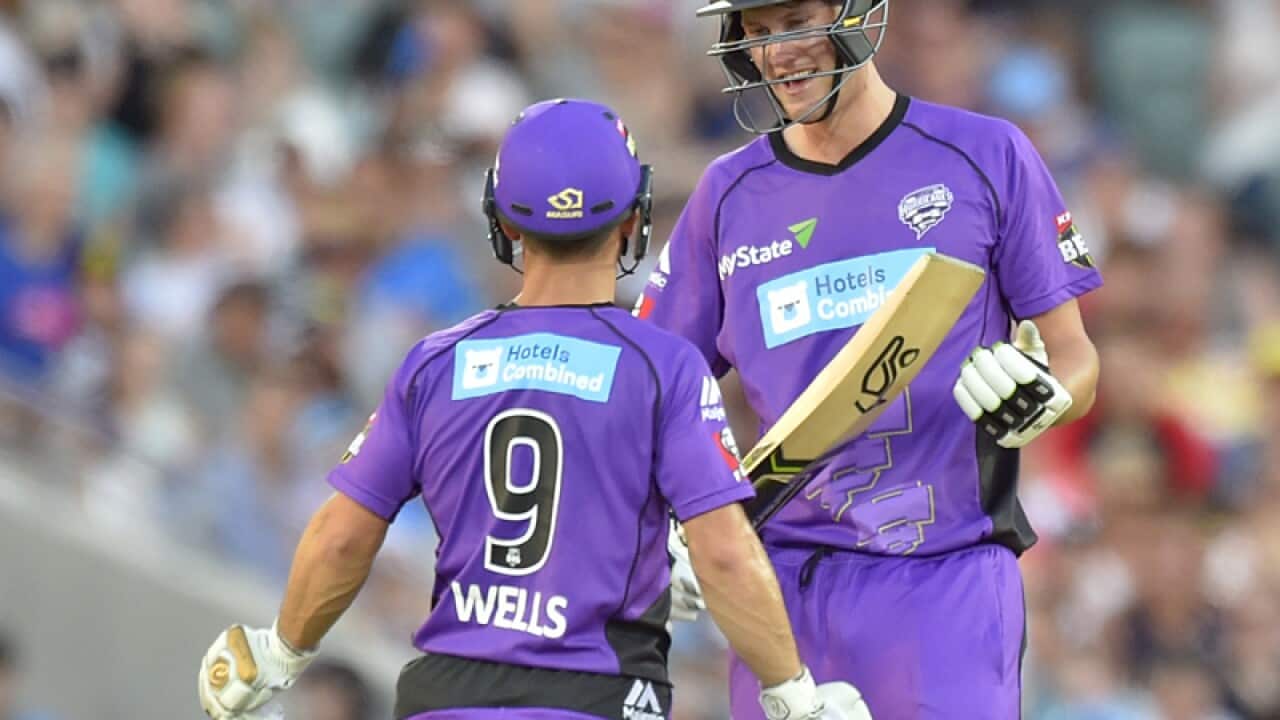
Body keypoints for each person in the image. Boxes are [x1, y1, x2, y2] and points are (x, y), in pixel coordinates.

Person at [196, 98, 872, 720]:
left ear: (504, 218)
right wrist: (795, 694)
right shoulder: (662, 369)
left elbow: (343, 534)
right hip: (594, 697)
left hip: (446, 696)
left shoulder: (434, 362)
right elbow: (723, 554)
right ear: (634, 218)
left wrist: (281, 653)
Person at [636, 2, 1103, 718]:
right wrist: (671, 518)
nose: (776, 54)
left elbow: (1075, 358)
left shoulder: (986, 153)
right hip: (784, 591)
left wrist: (1045, 396)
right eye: (757, 35)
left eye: (795, 23)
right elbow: (653, 389)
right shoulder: (725, 195)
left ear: (854, 14)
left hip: (948, 576)